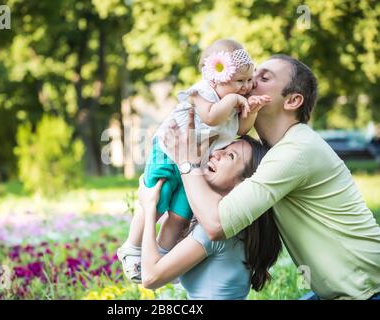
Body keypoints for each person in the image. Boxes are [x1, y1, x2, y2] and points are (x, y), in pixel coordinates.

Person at [163, 55, 380, 300]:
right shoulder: (269, 151)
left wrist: (187, 161)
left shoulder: (296, 151)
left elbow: (216, 224)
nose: (248, 82)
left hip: (368, 291)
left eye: (263, 77)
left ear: (292, 101)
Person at [117, 39, 270, 283]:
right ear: (215, 78)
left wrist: (251, 111)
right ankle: (132, 249)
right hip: (168, 151)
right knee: (155, 201)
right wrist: (232, 102)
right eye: (240, 81)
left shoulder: (232, 98)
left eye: (249, 80)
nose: (247, 86)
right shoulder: (202, 94)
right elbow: (210, 118)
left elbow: (241, 129)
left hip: (194, 162)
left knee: (180, 215)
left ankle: (164, 255)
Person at [138, 135, 282, 299]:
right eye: (223, 147)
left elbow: (150, 278)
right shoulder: (228, 222)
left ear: (242, 185)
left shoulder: (215, 231)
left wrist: (149, 207)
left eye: (230, 156)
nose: (216, 153)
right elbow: (164, 260)